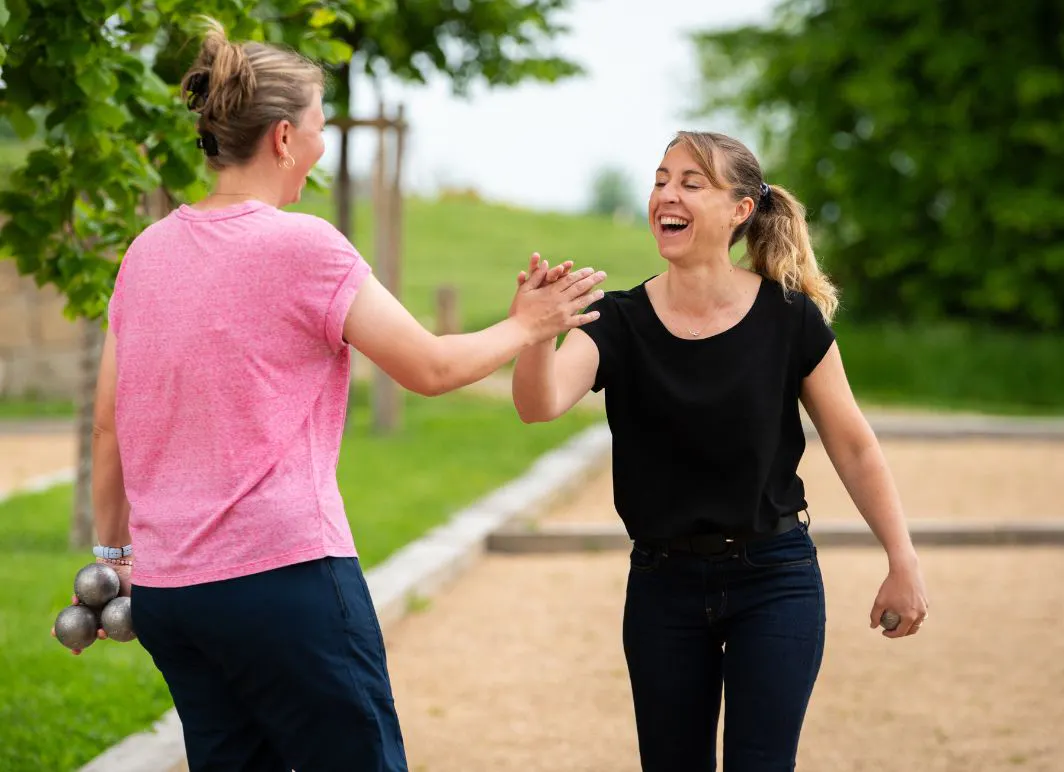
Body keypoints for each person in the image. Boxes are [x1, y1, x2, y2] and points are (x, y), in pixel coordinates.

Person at [52, 19, 607, 772]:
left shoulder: (146, 252)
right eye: (318, 124)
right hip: (284, 581)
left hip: (173, 596)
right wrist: (529, 324)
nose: (321, 140)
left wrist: (115, 558)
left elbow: (109, 429)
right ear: (284, 138)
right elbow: (432, 369)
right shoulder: (304, 247)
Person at [511, 130, 930, 771]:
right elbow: (538, 405)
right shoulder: (617, 322)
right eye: (659, 180)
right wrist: (537, 333)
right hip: (662, 587)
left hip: (776, 578)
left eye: (689, 182)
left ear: (740, 209)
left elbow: (853, 445)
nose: (665, 196)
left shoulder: (791, 319)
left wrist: (903, 560)